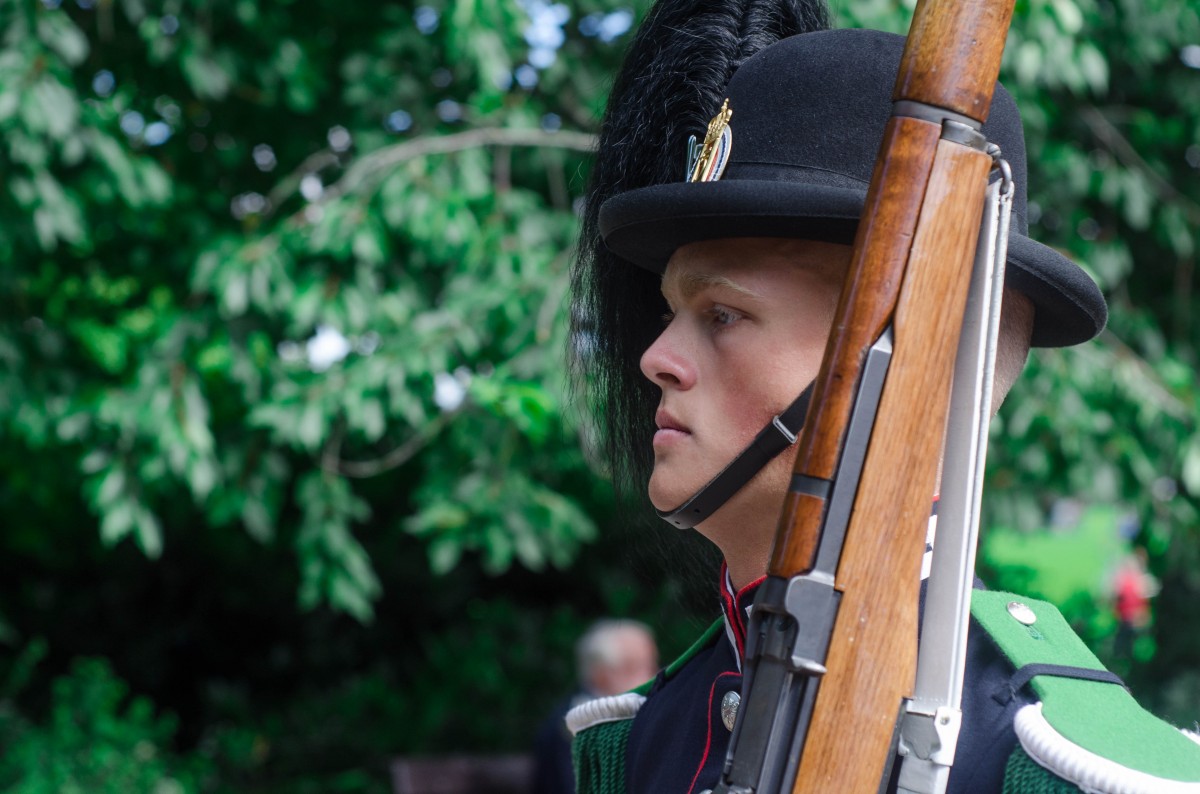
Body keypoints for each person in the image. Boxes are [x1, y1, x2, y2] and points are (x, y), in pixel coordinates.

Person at [564, 2, 1200, 793]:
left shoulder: (1065, 769)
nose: (656, 358)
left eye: (723, 314)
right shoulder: (638, 745)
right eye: (671, 315)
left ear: (917, 362)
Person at [532, 620, 659, 794]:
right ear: (601, 673)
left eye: (651, 665)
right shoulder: (572, 729)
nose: (652, 677)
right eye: (634, 667)